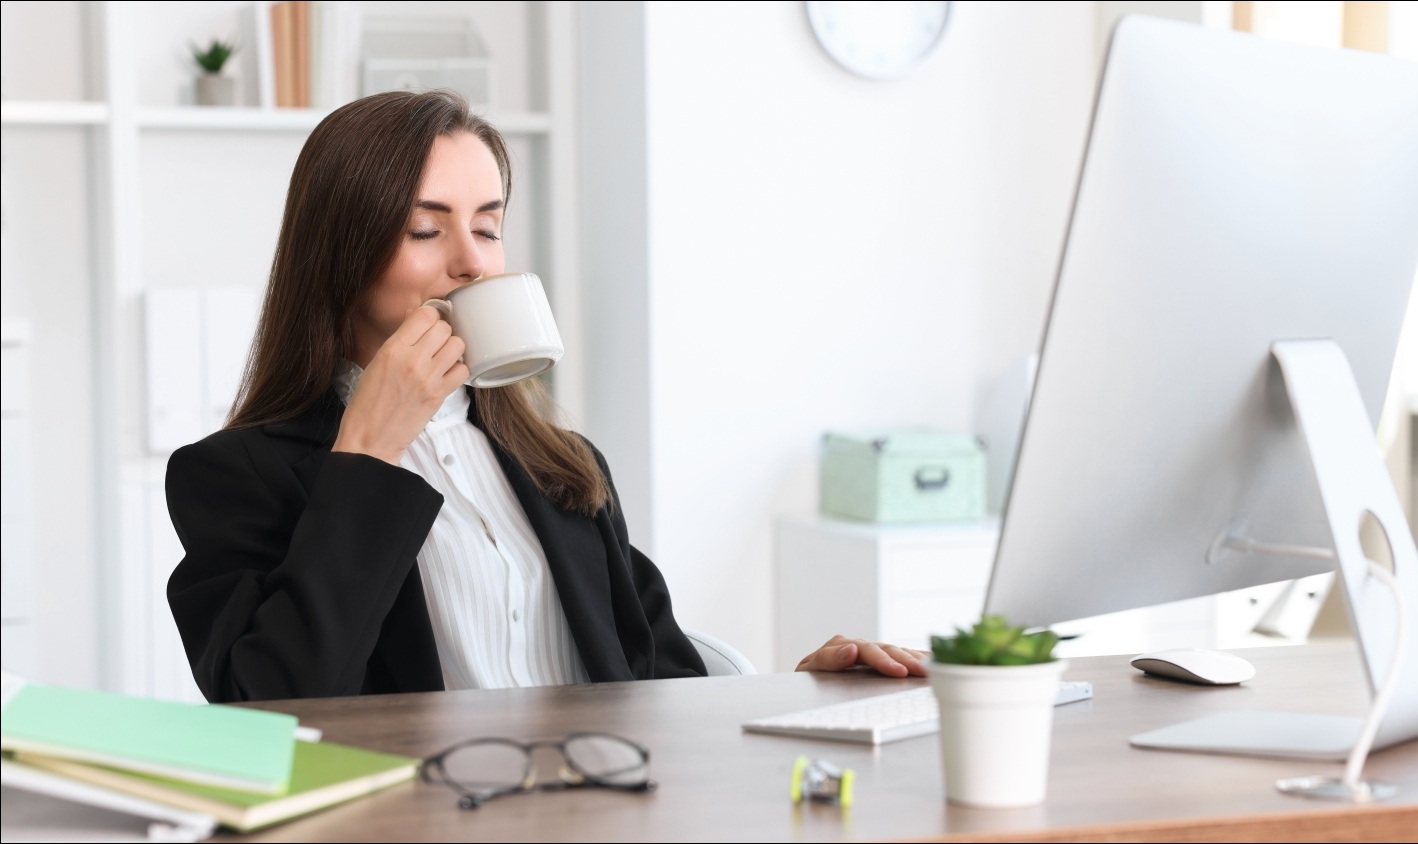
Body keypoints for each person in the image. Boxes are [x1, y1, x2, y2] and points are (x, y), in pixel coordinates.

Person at [165, 90, 926, 703]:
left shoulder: (560, 466)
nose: (472, 262)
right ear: (339, 257)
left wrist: (800, 696)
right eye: (426, 231)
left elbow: (660, 682)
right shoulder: (233, 474)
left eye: (488, 228)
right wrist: (368, 453)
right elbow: (272, 707)